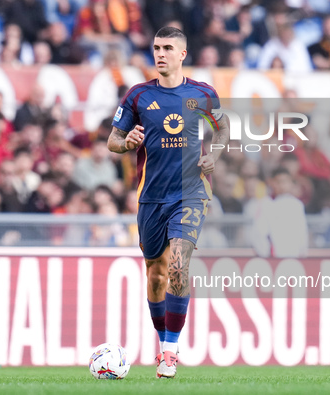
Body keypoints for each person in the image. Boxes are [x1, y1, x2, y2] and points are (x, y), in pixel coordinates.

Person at [107, 26, 228, 379]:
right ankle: (164, 347)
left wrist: (215, 155)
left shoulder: (202, 94)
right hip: (151, 196)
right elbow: (112, 141)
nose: (160, 53)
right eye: (156, 47)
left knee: (178, 262)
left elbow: (222, 129)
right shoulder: (138, 96)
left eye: (167, 48)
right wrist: (127, 141)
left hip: (191, 192)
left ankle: (171, 353)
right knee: (156, 274)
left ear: (182, 54)